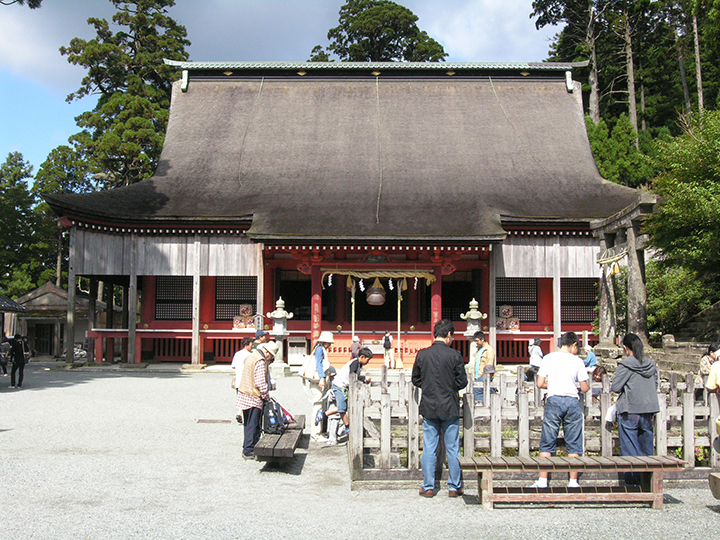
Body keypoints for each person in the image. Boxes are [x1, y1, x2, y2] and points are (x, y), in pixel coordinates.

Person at [411, 319, 468, 498]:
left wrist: (428, 386)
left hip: (429, 405)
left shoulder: (422, 355)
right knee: (452, 448)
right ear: (449, 335)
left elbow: (416, 379)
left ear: (435, 333)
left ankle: (428, 486)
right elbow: (462, 381)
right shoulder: (455, 355)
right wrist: (450, 386)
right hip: (449, 405)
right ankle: (454, 485)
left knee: (429, 446)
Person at [530, 331, 590, 488]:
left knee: (547, 439)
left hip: (554, 399)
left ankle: (543, 480)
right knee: (574, 440)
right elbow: (584, 387)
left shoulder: (549, 357)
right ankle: (573, 481)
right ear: (574, 345)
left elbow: (539, 383)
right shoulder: (577, 361)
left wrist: (552, 385)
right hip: (571, 400)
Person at [611, 333, 660, 485]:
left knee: (629, 447)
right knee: (646, 447)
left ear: (626, 348)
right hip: (648, 410)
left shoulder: (626, 365)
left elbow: (616, 387)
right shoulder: (651, 365)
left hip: (630, 409)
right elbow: (655, 384)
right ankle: (647, 482)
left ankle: (632, 483)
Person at [236, 341, 280, 460]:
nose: (270, 359)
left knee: (248, 423)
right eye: (271, 357)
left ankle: (247, 446)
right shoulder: (260, 361)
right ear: (267, 353)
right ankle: (249, 449)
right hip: (253, 396)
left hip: (244, 392)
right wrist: (266, 396)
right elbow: (260, 383)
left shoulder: (251, 356)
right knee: (253, 424)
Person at [318, 347, 374, 437]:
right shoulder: (355, 363)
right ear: (362, 357)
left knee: (343, 406)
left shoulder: (358, 364)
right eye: (368, 359)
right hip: (340, 386)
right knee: (342, 408)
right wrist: (364, 378)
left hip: (343, 386)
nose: (368, 362)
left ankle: (325, 414)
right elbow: (352, 376)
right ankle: (347, 426)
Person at [303, 331, 334, 440]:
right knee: (318, 407)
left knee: (320, 406)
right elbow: (319, 364)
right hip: (317, 382)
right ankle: (315, 434)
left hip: (317, 382)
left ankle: (319, 432)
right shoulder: (320, 349)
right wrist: (322, 378)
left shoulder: (319, 348)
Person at [231, 337, 254, 424]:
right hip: (247, 380)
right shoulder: (250, 355)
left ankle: (239, 413)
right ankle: (243, 416)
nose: (252, 346)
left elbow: (233, 366)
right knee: (247, 400)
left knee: (241, 398)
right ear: (246, 345)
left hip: (238, 380)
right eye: (251, 345)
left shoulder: (237, 354)